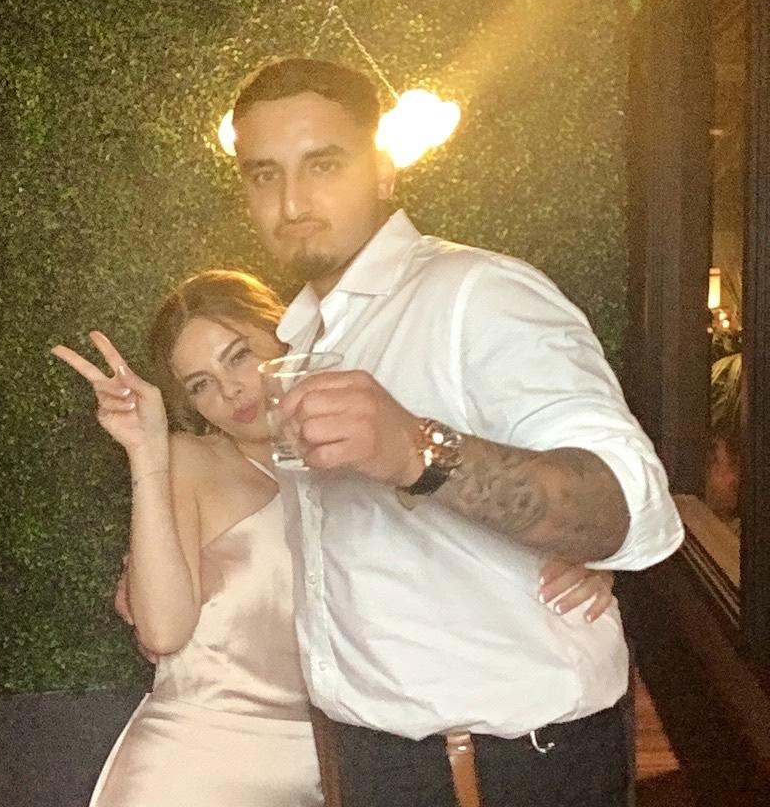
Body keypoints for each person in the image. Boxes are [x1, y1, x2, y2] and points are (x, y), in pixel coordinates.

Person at [228, 57, 686, 807]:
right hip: (379, 756)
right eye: (263, 174)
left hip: (504, 766)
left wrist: (419, 450)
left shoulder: (477, 293)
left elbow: (622, 506)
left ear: (383, 170)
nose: (292, 201)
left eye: (323, 164)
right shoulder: (306, 335)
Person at [51, 270, 616, 807]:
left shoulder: (367, 452)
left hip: (347, 770)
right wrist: (146, 451)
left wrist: (580, 553)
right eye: (201, 384)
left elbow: (453, 563)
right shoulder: (191, 462)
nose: (230, 389)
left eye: (239, 355)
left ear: (286, 339)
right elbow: (162, 630)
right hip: (199, 773)